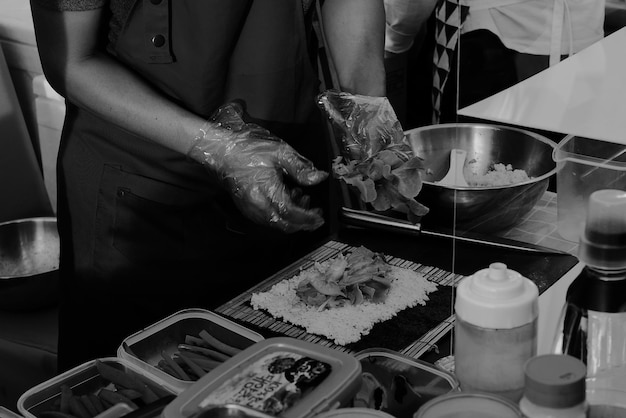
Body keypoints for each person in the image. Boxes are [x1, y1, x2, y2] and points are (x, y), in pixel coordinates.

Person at [29, 0, 388, 371]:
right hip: (147, 187)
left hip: (289, 165)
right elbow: (71, 62)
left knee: (299, 374)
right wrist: (219, 148)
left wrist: (366, 105)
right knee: (147, 388)